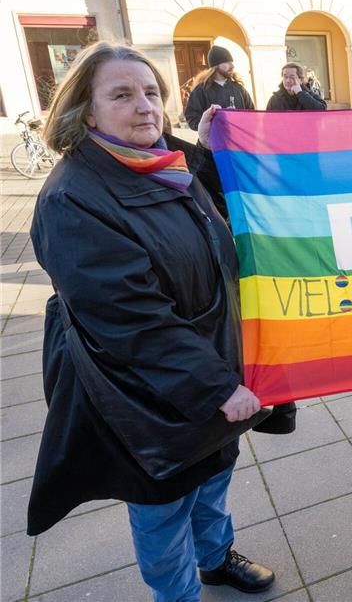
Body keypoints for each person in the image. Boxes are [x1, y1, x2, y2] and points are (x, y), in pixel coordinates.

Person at [28, 41, 277, 601]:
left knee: (214, 476)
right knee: (165, 503)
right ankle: (177, 594)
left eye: (152, 93)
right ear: (86, 112)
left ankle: (215, 559)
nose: (145, 107)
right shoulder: (74, 198)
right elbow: (131, 321)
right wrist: (215, 385)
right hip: (145, 391)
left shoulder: (168, 163)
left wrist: (212, 153)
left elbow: (210, 224)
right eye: (122, 95)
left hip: (210, 362)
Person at [183, 45, 254, 130]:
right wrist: (213, 124)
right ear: (215, 66)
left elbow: (251, 114)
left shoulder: (239, 89)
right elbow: (192, 119)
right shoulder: (201, 91)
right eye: (226, 62)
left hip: (238, 140)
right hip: (213, 141)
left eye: (231, 62)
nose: (232, 66)